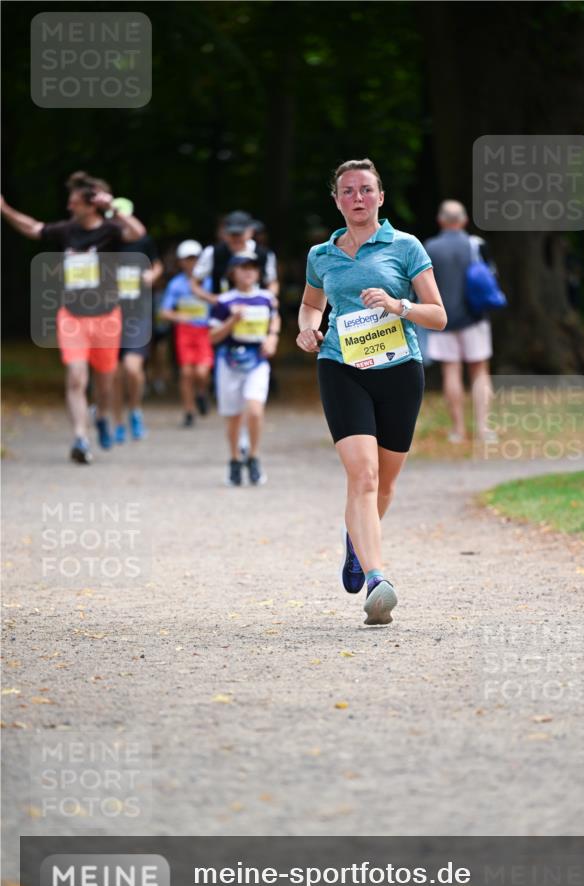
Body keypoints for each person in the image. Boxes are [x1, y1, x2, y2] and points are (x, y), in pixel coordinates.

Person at [297, 158, 446, 626]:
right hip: (341, 366)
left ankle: (357, 540)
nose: (357, 198)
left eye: (366, 190)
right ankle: (378, 579)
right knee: (362, 477)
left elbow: (438, 315)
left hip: (400, 370)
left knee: (384, 481)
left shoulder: (405, 246)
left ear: (380, 197)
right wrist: (306, 329)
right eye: (348, 191)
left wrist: (398, 304)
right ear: (336, 199)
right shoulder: (322, 255)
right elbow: (309, 304)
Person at [0, 172, 146, 463]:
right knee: (77, 377)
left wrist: (114, 207)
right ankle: (80, 437)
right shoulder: (67, 231)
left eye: (74, 202)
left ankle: (102, 415)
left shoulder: (111, 230)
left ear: (91, 205)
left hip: (106, 317)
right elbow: (33, 228)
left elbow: (137, 233)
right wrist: (4, 209)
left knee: (104, 384)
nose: (69, 207)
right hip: (72, 317)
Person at [423, 200, 496, 444]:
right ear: (463, 221)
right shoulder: (476, 245)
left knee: (451, 371)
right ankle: (484, 429)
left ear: (441, 220)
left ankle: (457, 430)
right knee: (479, 371)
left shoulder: (430, 248)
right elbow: (490, 277)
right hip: (474, 318)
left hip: (442, 319)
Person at [209, 253, 280, 486]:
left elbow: (274, 319)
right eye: (242, 268)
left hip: (257, 361)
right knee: (234, 416)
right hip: (229, 361)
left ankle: (254, 456)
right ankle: (234, 460)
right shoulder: (224, 301)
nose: (248, 272)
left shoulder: (266, 298)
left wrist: (272, 338)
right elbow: (212, 336)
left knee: (255, 409)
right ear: (232, 273)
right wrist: (232, 321)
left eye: (252, 268)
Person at [112, 205, 163, 442]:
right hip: (109, 315)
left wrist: (152, 275)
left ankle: (135, 410)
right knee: (114, 373)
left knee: (133, 368)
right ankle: (118, 422)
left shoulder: (144, 242)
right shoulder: (105, 241)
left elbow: (158, 264)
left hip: (137, 314)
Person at [159, 240, 213, 427]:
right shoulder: (176, 285)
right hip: (184, 333)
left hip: (205, 332)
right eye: (187, 259)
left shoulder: (210, 282)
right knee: (186, 373)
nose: (192, 263)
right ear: (181, 262)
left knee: (202, 371)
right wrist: (178, 316)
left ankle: (201, 393)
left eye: (195, 259)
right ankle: (189, 411)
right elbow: (164, 311)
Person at [191, 210, 279, 300]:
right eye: (232, 234)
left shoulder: (264, 254)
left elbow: (272, 283)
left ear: (250, 232)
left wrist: (267, 300)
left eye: (240, 234)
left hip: (256, 311)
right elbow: (194, 283)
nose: (236, 238)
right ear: (224, 233)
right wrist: (215, 300)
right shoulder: (212, 253)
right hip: (225, 312)